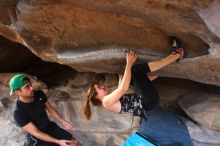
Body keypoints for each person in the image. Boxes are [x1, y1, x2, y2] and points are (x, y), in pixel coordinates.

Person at [84, 38, 194, 146]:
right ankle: (177, 54)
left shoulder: (107, 101)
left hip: (147, 101)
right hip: (148, 100)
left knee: (132, 79)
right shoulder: (106, 101)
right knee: (135, 71)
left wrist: (120, 77)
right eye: (99, 87)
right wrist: (129, 64)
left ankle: (167, 64)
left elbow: (121, 88)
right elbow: (123, 89)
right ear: (96, 95)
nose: (102, 86)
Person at [10, 74, 80, 146]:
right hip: (37, 138)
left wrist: (63, 121)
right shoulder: (18, 112)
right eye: (27, 87)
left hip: (50, 127)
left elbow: (50, 109)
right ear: (17, 92)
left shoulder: (39, 94)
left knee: (75, 143)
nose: (32, 88)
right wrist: (58, 141)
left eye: (30, 85)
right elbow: (36, 132)